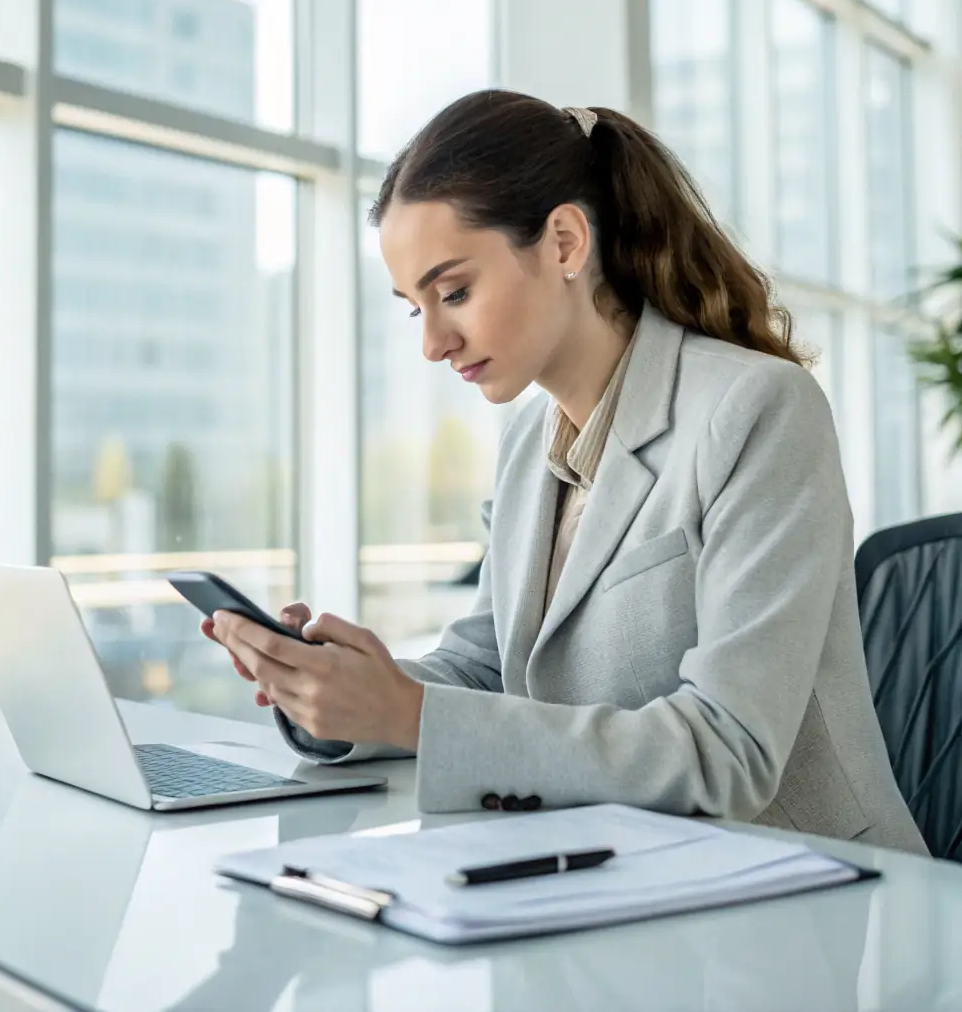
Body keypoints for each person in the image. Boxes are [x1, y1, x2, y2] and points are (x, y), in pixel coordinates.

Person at [206, 90, 926, 854]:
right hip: (621, 879)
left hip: (807, 891)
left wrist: (409, 714)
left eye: (454, 291)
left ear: (563, 243)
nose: (434, 343)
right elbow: (485, 671)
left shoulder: (759, 410)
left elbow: (730, 749)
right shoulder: (529, 445)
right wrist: (340, 694)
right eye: (417, 308)